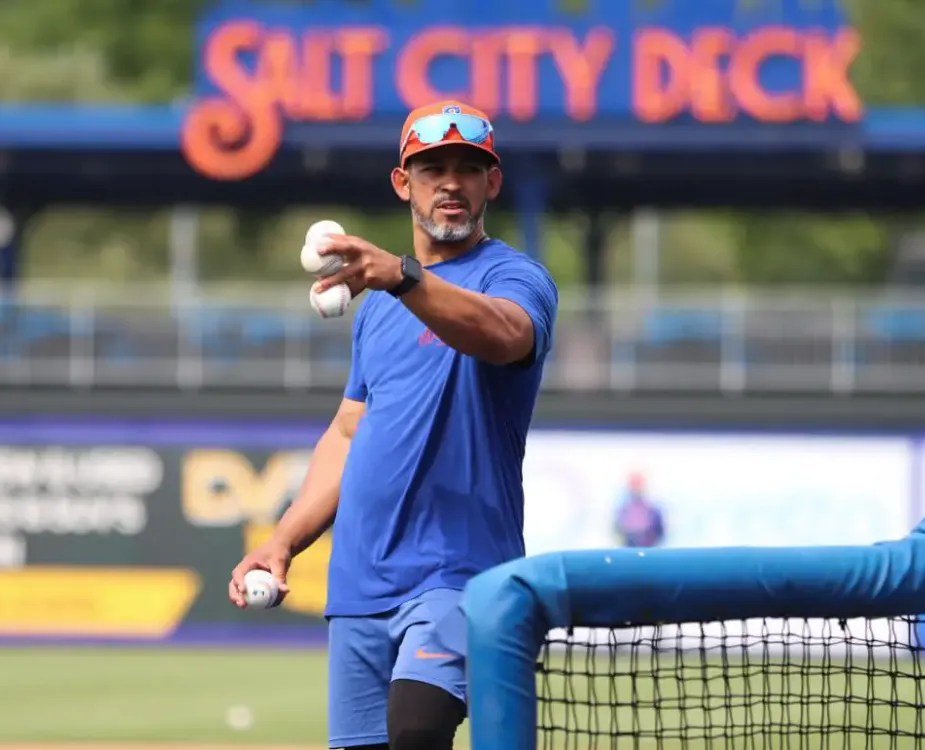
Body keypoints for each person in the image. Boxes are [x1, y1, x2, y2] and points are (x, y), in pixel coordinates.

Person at [228, 100, 559, 750]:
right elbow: (348, 434)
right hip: (360, 584)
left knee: (417, 730)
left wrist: (404, 277)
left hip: (457, 574)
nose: (451, 183)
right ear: (403, 183)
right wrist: (284, 540)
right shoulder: (375, 311)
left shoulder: (514, 277)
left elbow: (504, 334)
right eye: (432, 168)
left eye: (470, 168)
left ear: (493, 183)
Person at [613, 471, 666, 548]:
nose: (636, 489)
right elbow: (618, 533)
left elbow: (660, 533)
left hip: (650, 553)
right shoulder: (622, 511)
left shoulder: (654, 511)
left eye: (638, 485)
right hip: (629, 553)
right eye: (634, 485)